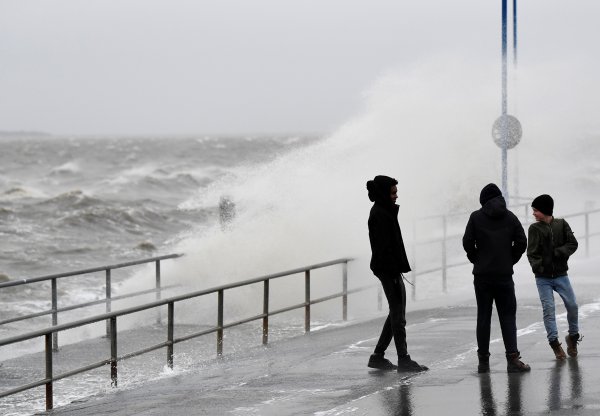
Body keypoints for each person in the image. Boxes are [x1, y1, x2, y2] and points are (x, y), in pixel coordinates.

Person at [462, 183, 530, 373]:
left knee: (483, 316)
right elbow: (522, 241)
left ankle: (483, 361)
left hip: (482, 276)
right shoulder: (509, 217)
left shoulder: (476, 217)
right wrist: (509, 260)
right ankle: (513, 359)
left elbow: (467, 242)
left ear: (483, 202)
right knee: (508, 316)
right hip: (504, 276)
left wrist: (476, 259)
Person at [366, 175, 428, 373]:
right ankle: (403, 359)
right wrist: (393, 271)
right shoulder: (379, 214)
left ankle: (378, 356)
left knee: (396, 313)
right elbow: (383, 249)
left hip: (390, 269)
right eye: (393, 192)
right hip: (388, 270)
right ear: (385, 193)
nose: (396, 196)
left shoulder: (385, 211)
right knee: (398, 315)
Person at [526, 194, 582, 360]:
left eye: (536, 210)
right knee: (549, 309)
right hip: (542, 278)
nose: (534, 214)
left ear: (545, 210)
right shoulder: (534, 229)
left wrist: (557, 253)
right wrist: (540, 266)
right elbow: (531, 253)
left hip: (561, 275)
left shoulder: (562, 224)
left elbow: (573, 244)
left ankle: (572, 337)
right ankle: (555, 344)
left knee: (572, 305)